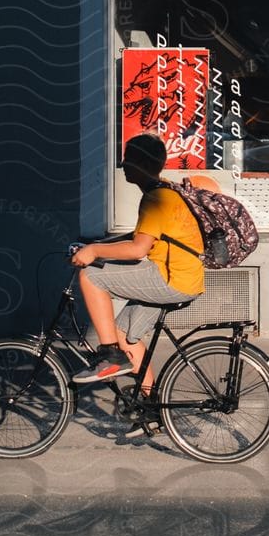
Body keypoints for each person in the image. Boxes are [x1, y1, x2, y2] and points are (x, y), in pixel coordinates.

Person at [70, 132, 205, 388]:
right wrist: (95, 247)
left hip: (170, 279)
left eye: (127, 159)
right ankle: (150, 410)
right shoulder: (164, 191)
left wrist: (95, 252)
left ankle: (109, 356)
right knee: (125, 336)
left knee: (90, 276)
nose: (122, 165)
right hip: (184, 278)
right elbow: (140, 236)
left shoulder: (155, 199)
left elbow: (137, 250)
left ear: (141, 163)